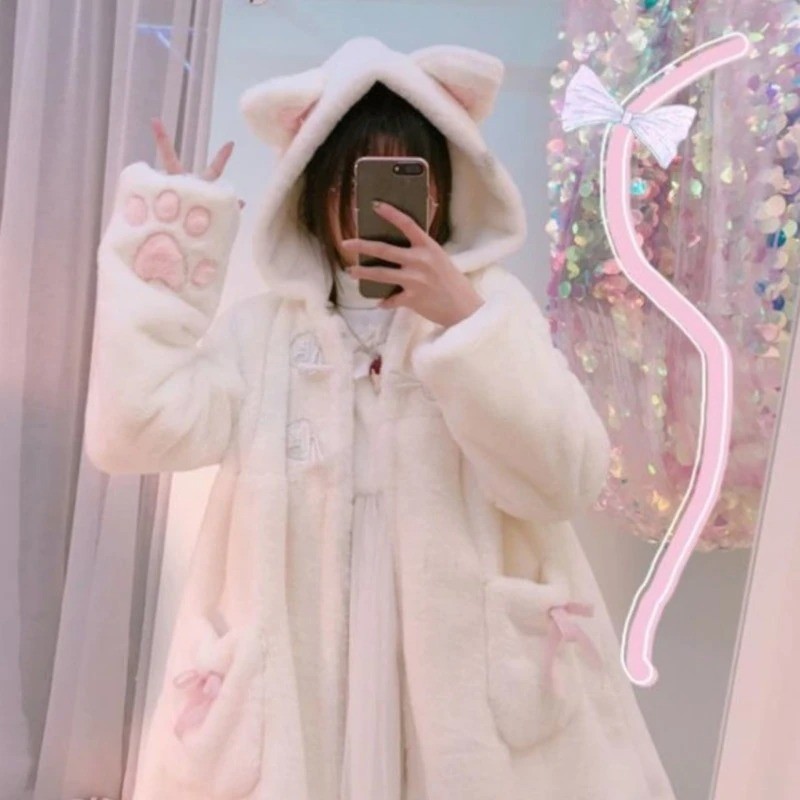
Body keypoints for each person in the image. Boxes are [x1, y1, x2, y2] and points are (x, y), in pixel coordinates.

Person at [85, 36, 678, 800]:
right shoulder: (260, 334)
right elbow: (132, 434)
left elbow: (566, 479)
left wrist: (465, 321)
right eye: (355, 182)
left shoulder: (489, 311)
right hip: (306, 652)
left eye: (409, 181)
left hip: (459, 664)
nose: (382, 210)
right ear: (313, 192)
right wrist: (164, 265)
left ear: (443, 192)